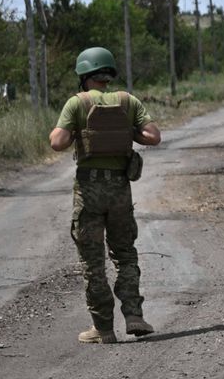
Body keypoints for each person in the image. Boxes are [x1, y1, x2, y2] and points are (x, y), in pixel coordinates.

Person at [48, 47, 161, 344]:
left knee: (93, 261)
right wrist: (127, 133)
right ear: (109, 73)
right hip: (120, 190)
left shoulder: (77, 103)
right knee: (125, 254)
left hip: (89, 191)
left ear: (84, 75)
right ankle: (134, 315)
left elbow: (57, 142)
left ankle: (103, 328)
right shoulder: (128, 101)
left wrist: (78, 132)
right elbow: (153, 136)